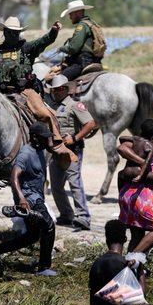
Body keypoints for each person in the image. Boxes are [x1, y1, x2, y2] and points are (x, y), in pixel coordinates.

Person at [0, 16, 76, 166]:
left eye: (15, 32)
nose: (12, 35)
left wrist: (53, 32)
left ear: (19, 33)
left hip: (25, 92)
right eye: (9, 32)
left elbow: (43, 41)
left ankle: (57, 144)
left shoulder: (27, 48)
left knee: (46, 113)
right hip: (0, 94)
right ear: (4, 32)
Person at [0, 122, 56, 276]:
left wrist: (50, 141)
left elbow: (52, 148)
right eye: (44, 138)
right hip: (31, 200)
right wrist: (21, 199)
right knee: (49, 226)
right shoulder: (25, 153)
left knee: (32, 236)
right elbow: (14, 177)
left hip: (37, 197)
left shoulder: (39, 150)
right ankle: (44, 267)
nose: (47, 141)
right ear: (35, 138)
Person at [46, 75, 96, 230]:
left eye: (56, 90)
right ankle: (66, 214)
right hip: (56, 150)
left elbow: (90, 123)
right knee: (56, 185)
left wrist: (75, 138)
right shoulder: (52, 106)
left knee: (74, 182)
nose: (54, 93)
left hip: (72, 150)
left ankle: (83, 216)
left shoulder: (75, 105)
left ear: (63, 89)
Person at [117, 119, 153, 254]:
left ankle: (133, 269)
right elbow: (148, 167)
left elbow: (122, 140)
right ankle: (133, 258)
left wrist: (134, 137)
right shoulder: (149, 147)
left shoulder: (134, 143)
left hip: (126, 198)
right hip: (142, 201)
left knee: (137, 235)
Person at [89, 219, 146, 305]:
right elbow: (140, 296)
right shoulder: (123, 263)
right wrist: (140, 271)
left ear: (106, 240)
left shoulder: (96, 264)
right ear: (125, 239)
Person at [59, 0, 103, 81]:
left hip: (82, 63)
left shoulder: (82, 26)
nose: (70, 17)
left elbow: (73, 48)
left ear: (77, 13)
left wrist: (61, 48)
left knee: (59, 79)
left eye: (70, 14)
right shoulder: (91, 23)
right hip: (94, 61)